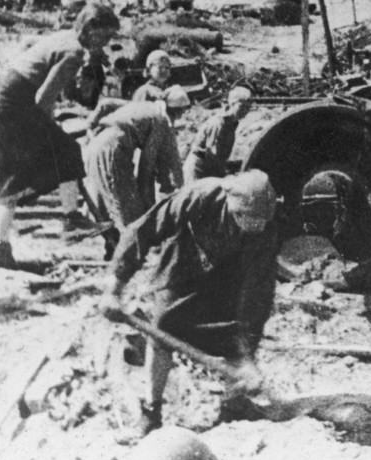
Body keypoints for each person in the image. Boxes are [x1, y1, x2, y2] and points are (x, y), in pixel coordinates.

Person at [99, 169, 279, 437]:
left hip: (228, 277)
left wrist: (246, 356)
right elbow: (143, 231)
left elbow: (259, 293)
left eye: (263, 221)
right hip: (182, 268)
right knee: (162, 330)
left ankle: (234, 404)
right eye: (252, 221)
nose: (259, 227)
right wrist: (114, 288)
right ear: (235, 210)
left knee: (232, 334)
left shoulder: (266, 229)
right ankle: (151, 412)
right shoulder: (199, 196)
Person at [0, 2, 121, 269]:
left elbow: (56, 91)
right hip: (14, 105)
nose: (105, 44)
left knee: (12, 177)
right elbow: (43, 99)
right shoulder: (73, 52)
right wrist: (51, 128)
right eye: (104, 37)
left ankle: (0, 249)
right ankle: (71, 220)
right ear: (91, 28)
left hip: (3, 100)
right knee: (68, 151)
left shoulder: (65, 39)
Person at [84, 86, 190, 235]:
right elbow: (147, 165)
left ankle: (112, 246)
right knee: (129, 210)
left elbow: (106, 103)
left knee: (108, 204)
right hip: (112, 150)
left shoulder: (145, 106)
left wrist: (90, 124)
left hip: (95, 144)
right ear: (177, 111)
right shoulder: (160, 120)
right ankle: (128, 249)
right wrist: (147, 201)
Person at [183, 86, 252, 183]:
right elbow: (212, 156)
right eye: (242, 107)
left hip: (209, 167)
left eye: (248, 107)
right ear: (231, 104)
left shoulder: (231, 124)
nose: (245, 111)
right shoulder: (218, 124)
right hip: (198, 170)